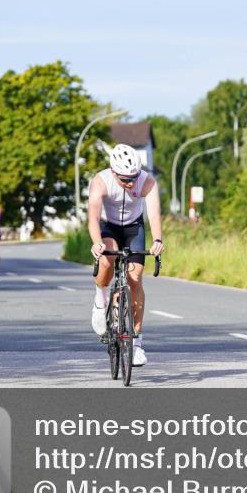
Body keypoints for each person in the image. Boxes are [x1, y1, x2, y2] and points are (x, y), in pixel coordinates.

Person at [88, 144, 165, 367]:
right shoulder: (100, 181)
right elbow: (93, 217)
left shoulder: (147, 181)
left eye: (134, 177)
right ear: (113, 172)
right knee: (107, 260)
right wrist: (97, 243)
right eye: (125, 179)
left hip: (133, 227)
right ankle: (100, 299)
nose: (131, 183)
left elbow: (154, 214)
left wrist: (158, 240)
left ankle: (137, 344)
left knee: (136, 278)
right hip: (108, 226)